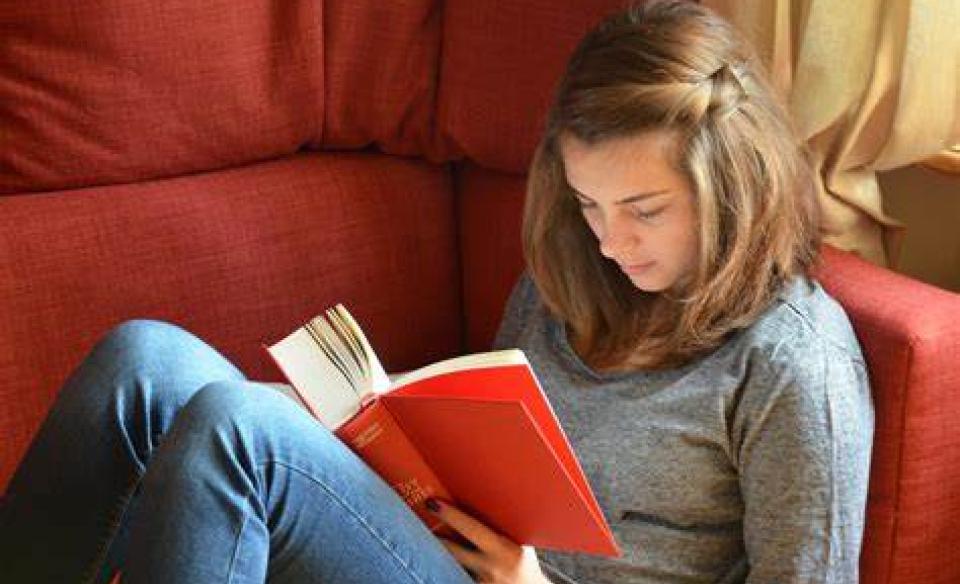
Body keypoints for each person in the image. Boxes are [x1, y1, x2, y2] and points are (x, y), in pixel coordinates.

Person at [0, 1, 873, 582]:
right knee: (143, 359)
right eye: (588, 203)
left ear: (733, 184)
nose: (610, 240)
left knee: (239, 433)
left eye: (644, 209)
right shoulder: (575, 269)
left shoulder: (795, 365)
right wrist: (364, 435)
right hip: (437, 555)